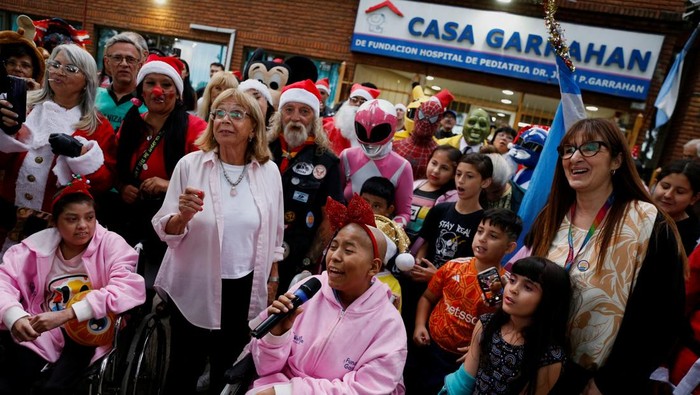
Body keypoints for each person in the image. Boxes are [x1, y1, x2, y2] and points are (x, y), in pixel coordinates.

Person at [516, 118, 686, 394]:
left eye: (591, 147)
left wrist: (610, 382)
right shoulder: (551, 216)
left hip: (593, 381)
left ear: (617, 160)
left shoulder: (647, 221)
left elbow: (662, 318)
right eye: (568, 149)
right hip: (532, 367)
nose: (575, 157)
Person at [152, 88, 283, 394]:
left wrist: (273, 278)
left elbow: (276, 232)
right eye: (219, 113)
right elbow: (165, 230)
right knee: (183, 369)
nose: (225, 120)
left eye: (236, 114)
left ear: (253, 128)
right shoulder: (190, 165)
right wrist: (182, 216)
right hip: (194, 283)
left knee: (227, 371)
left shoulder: (269, 172)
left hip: (244, 287)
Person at [247, 195, 407, 394]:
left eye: (348, 250)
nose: (335, 257)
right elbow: (264, 368)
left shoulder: (388, 325)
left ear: (373, 266)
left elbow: (365, 389)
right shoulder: (308, 289)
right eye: (333, 246)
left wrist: (291, 392)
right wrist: (276, 335)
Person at [0, 176, 146, 394]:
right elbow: (4, 281)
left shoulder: (111, 244)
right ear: (55, 223)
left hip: (89, 328)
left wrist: (69, 314)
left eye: (90, 218)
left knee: (54, 387)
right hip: (42, 322)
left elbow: (127, 287)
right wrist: (14, 316)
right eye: (72, 219)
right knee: (12, 378)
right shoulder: (34, 248)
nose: (83, 226)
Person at [0, 44, 117, 256]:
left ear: (87, 81)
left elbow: (104, 182)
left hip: (57, 231)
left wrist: (81, 155)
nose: (59, 71)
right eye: (55, 65)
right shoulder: (23, 106)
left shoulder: (98, 125)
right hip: (7, 220)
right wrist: (5, 134)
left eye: (71, 69)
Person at [115, 55, 207, 290]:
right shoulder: (131, 122)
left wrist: (168, 184)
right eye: (151, 83)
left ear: (177, 92)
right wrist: (123, 186)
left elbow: (207, 179)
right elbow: (115, 164)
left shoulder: (196, 128)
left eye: (166, 85)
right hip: (129, 217)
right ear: (142, 91)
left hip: (171, 223)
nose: (159, 91)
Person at [412, 208, 522, 394]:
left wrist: (476, 350)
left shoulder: (508, 287)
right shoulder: (453, 267)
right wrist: (419, 325)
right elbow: (427, 297)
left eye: (493, 236)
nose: (482, 239)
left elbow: (502, 328)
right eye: (480, 231)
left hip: (461, 361)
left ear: (510, 247)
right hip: (430, 346)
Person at [440, 257, 572, 395]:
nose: (513, 289)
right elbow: (465, 380)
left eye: (528, 287)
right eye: (513, 280)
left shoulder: (550, 357)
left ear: (549, 300)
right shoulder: (486, 324)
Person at [267, 79, 343, 293]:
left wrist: (308, 262)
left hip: (296, 257)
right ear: (279, 114)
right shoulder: (260, 150)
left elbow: (330, 218)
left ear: (315, 119)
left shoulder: (327, 162)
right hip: (253, 248)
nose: (296, 117)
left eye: (304, 111)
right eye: (289, 110)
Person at [340, 99, 413, 226]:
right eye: (363, 130)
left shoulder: (402, 167)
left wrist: (387, 231)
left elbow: (404, 213)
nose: (370, 141)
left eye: (378, 132)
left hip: (377, 238)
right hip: (343, 230)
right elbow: (335, 198)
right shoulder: (347, 156)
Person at [394, 90, 454, 180]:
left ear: (438, 121)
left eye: (432, 118)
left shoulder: (438, 153)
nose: (425, 122)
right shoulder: (396, 144)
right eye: (422, 115)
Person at [406, 145, 461, 243]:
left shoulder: (452, 198)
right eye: (434, 163)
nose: (436, 170)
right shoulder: (414, 185)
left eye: (444, 168)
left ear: (454, 174)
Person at [95, 32, 147, 131]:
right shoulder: (92, 97)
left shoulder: (148, 104)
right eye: (117, 58)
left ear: (139, 65)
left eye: (130, 59)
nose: (124, 64)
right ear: (107, 62)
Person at [651, 159, 700, 255]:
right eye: (665, 186)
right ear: (655, 184)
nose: (668, 195)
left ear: (694, 198)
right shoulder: (635, 215)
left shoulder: (693, 236)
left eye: (680, 192)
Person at [323, 83, 381, 155]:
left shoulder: (376, 134)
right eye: (354, 99)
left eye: (363, 101)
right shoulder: (328, 126)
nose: (357, 104)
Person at [0, 16, 45, 91]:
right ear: (5, 65)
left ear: (34, 70)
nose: (17, 69)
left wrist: (35, 96)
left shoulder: (41, 99)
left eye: (25, 65)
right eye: (12, 63)